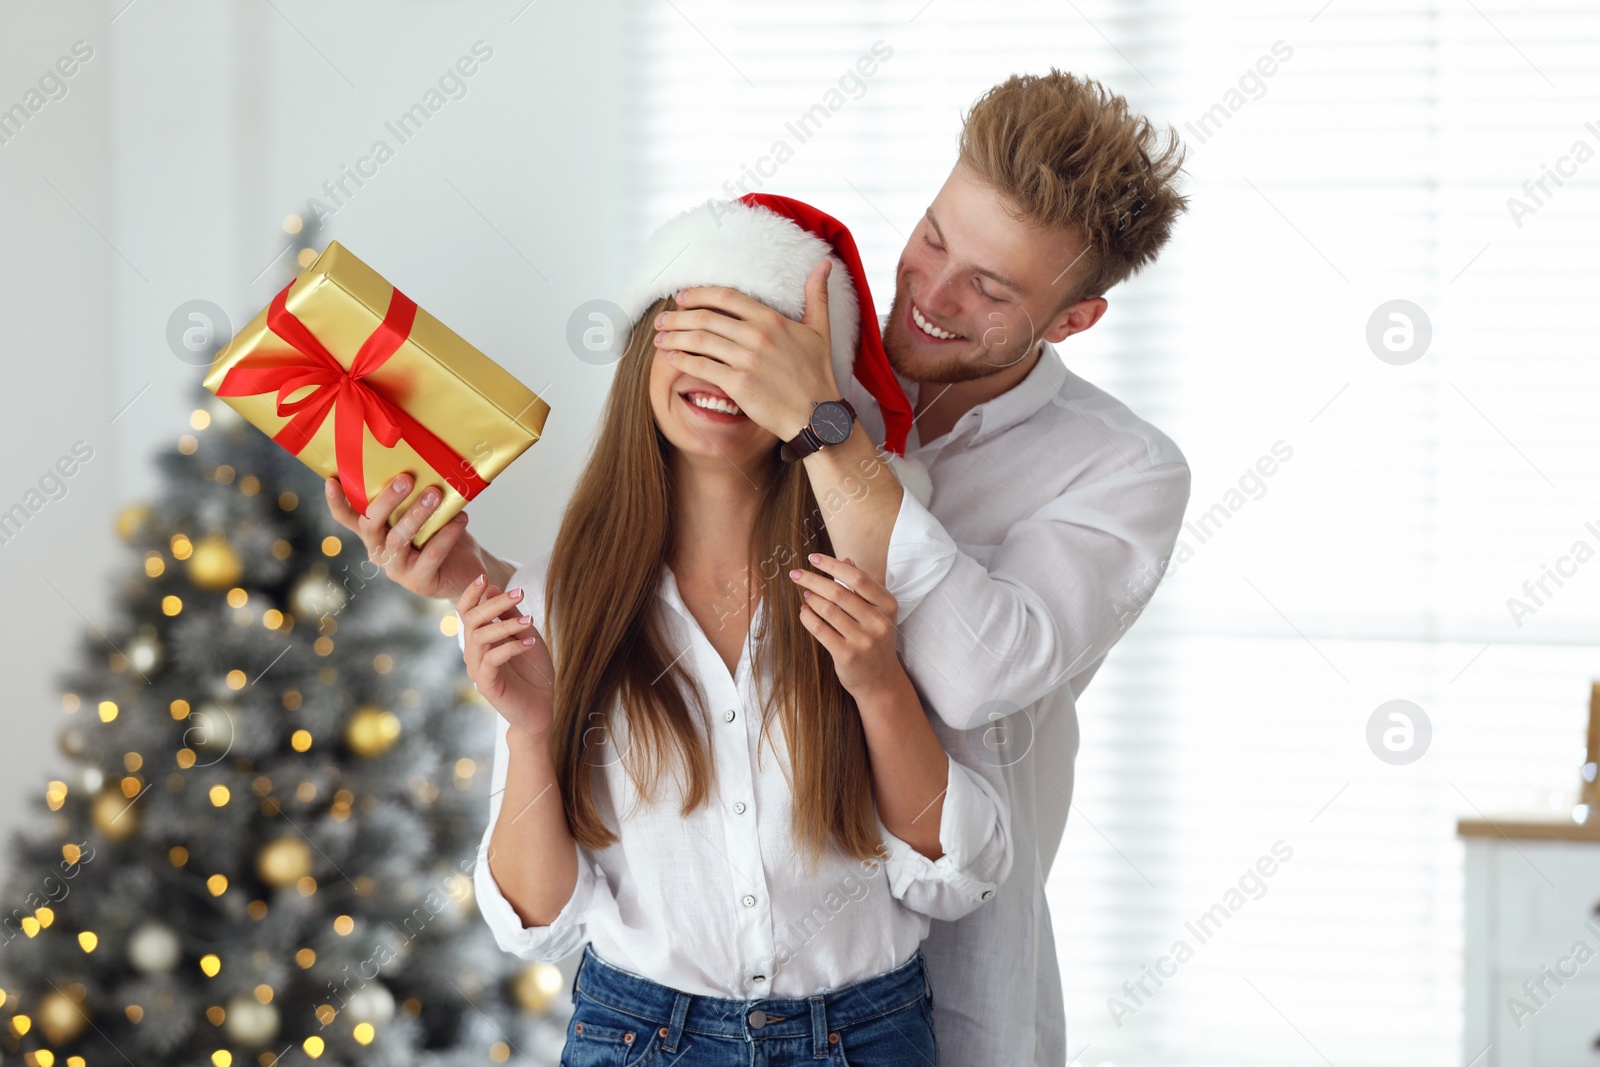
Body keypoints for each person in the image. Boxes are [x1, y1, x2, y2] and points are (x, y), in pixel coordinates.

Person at [326, 195, 1012, 1065]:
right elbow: (537, 919)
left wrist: (876, 683)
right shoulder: (561, 604)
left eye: (756, 344)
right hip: (639, 1037)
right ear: (645, 347)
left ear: (808, 387)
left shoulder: (880, 575)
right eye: (696, 330)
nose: (722, 370)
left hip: (866, 1037)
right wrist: (530, 728)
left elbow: (958, 873)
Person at [650, 70, 1193, 1066]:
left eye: (992, 289)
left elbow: (982, 673)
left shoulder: (1122, 470)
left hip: (954, 996)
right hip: (708, 990)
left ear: (1072, 319)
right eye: (936, 236)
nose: (932, 295)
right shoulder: (818, 347)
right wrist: (464, 566)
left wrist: (826, 435)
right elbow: (651, 577)